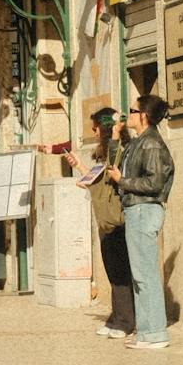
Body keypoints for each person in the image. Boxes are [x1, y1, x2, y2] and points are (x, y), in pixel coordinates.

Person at [106, 93, 175, 350]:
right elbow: (117, 165)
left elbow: (154, 182)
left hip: (145, 210)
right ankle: (146, 332)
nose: (129, 115)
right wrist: (115, 136)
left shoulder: (152, 144)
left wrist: (122, 182)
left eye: (133, 112)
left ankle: (155, 333)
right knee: (140, 275)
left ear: (144, 115)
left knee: (145, 275)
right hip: (135, 210)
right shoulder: (139, 142)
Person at [66, 107, 134, 340]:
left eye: (96, 127)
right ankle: (116, 317)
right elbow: (96, 182)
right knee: (113, 273)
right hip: (105, 220)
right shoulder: (103, 155)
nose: (93, 132)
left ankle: (125, 321)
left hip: (116, 220)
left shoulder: (118, 151)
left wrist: (115, 134)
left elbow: (114, 165)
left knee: (120, 272)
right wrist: (78, 166)